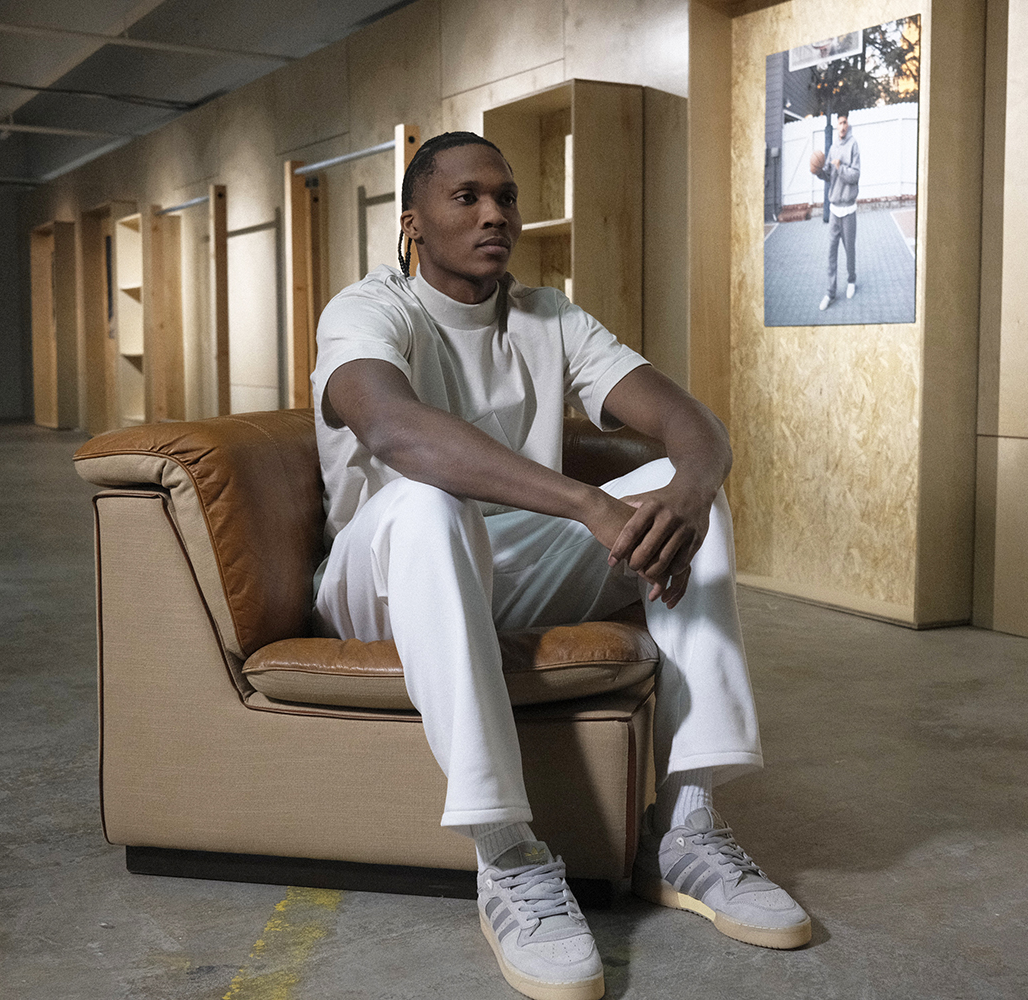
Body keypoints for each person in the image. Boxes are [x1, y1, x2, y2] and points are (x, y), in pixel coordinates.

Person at [310, 131, 809, 1000]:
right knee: (429, 502)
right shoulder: (369, 307)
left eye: (505, 196)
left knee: (673, 496)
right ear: (413, 222)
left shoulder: (548, 315)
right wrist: (585, 502)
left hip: (506, 570)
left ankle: (687, 827)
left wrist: (690, 490)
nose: (494, 213)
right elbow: (393, 430)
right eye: (466, 197)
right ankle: (506, 854)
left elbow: (692, 423)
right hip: (383, 581)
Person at [809, 112, 860, 309]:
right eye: (840, 123)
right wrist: (819, 172)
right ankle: (830, 293)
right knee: (831, 252)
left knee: (850, 250)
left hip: (849, 209)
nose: (842, 126)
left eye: (845, 122)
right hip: (834, 211)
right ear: (837, 125)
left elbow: (855, 175)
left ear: (848, 124)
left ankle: (851, 280)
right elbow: (829, 176)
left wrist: (840, 168)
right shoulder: (832, 148)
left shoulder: (853, 145)